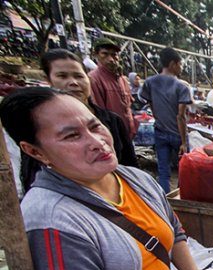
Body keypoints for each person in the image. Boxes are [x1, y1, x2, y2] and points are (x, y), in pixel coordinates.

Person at [0, 87, 213, 270]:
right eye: (71, 136)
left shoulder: (136, 179)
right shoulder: (51, 218)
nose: (97, 142)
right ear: (35, 151)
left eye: (95, 126)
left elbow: (174, 232)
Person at [18, 49, 137, 193]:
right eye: (62, 76)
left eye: (78, 76)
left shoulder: (112, 120)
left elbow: (131, 167)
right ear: (48, 80)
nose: (73, 83)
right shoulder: (41, 129)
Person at [139, 47, 192, 194]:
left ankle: (166, 201)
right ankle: (183, 199)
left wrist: (160, 121)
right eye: (180, 64)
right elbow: (180, 117)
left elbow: (152, 107)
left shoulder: (150, 83)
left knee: (164, 171)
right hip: (177, 133)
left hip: (160, 131)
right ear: (173, 63)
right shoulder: (181, 86)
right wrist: (183, 142)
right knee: (184, 169)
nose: (180, 68)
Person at [88, 37, 136, 139]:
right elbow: (98, 113)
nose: (110, 59)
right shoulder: (94, 79)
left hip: (126, 133)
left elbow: (128, 107)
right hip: (111, 135)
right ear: (96, 55)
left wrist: (132, 127)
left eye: (114, 55)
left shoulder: (122, 79)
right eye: (105, 54)